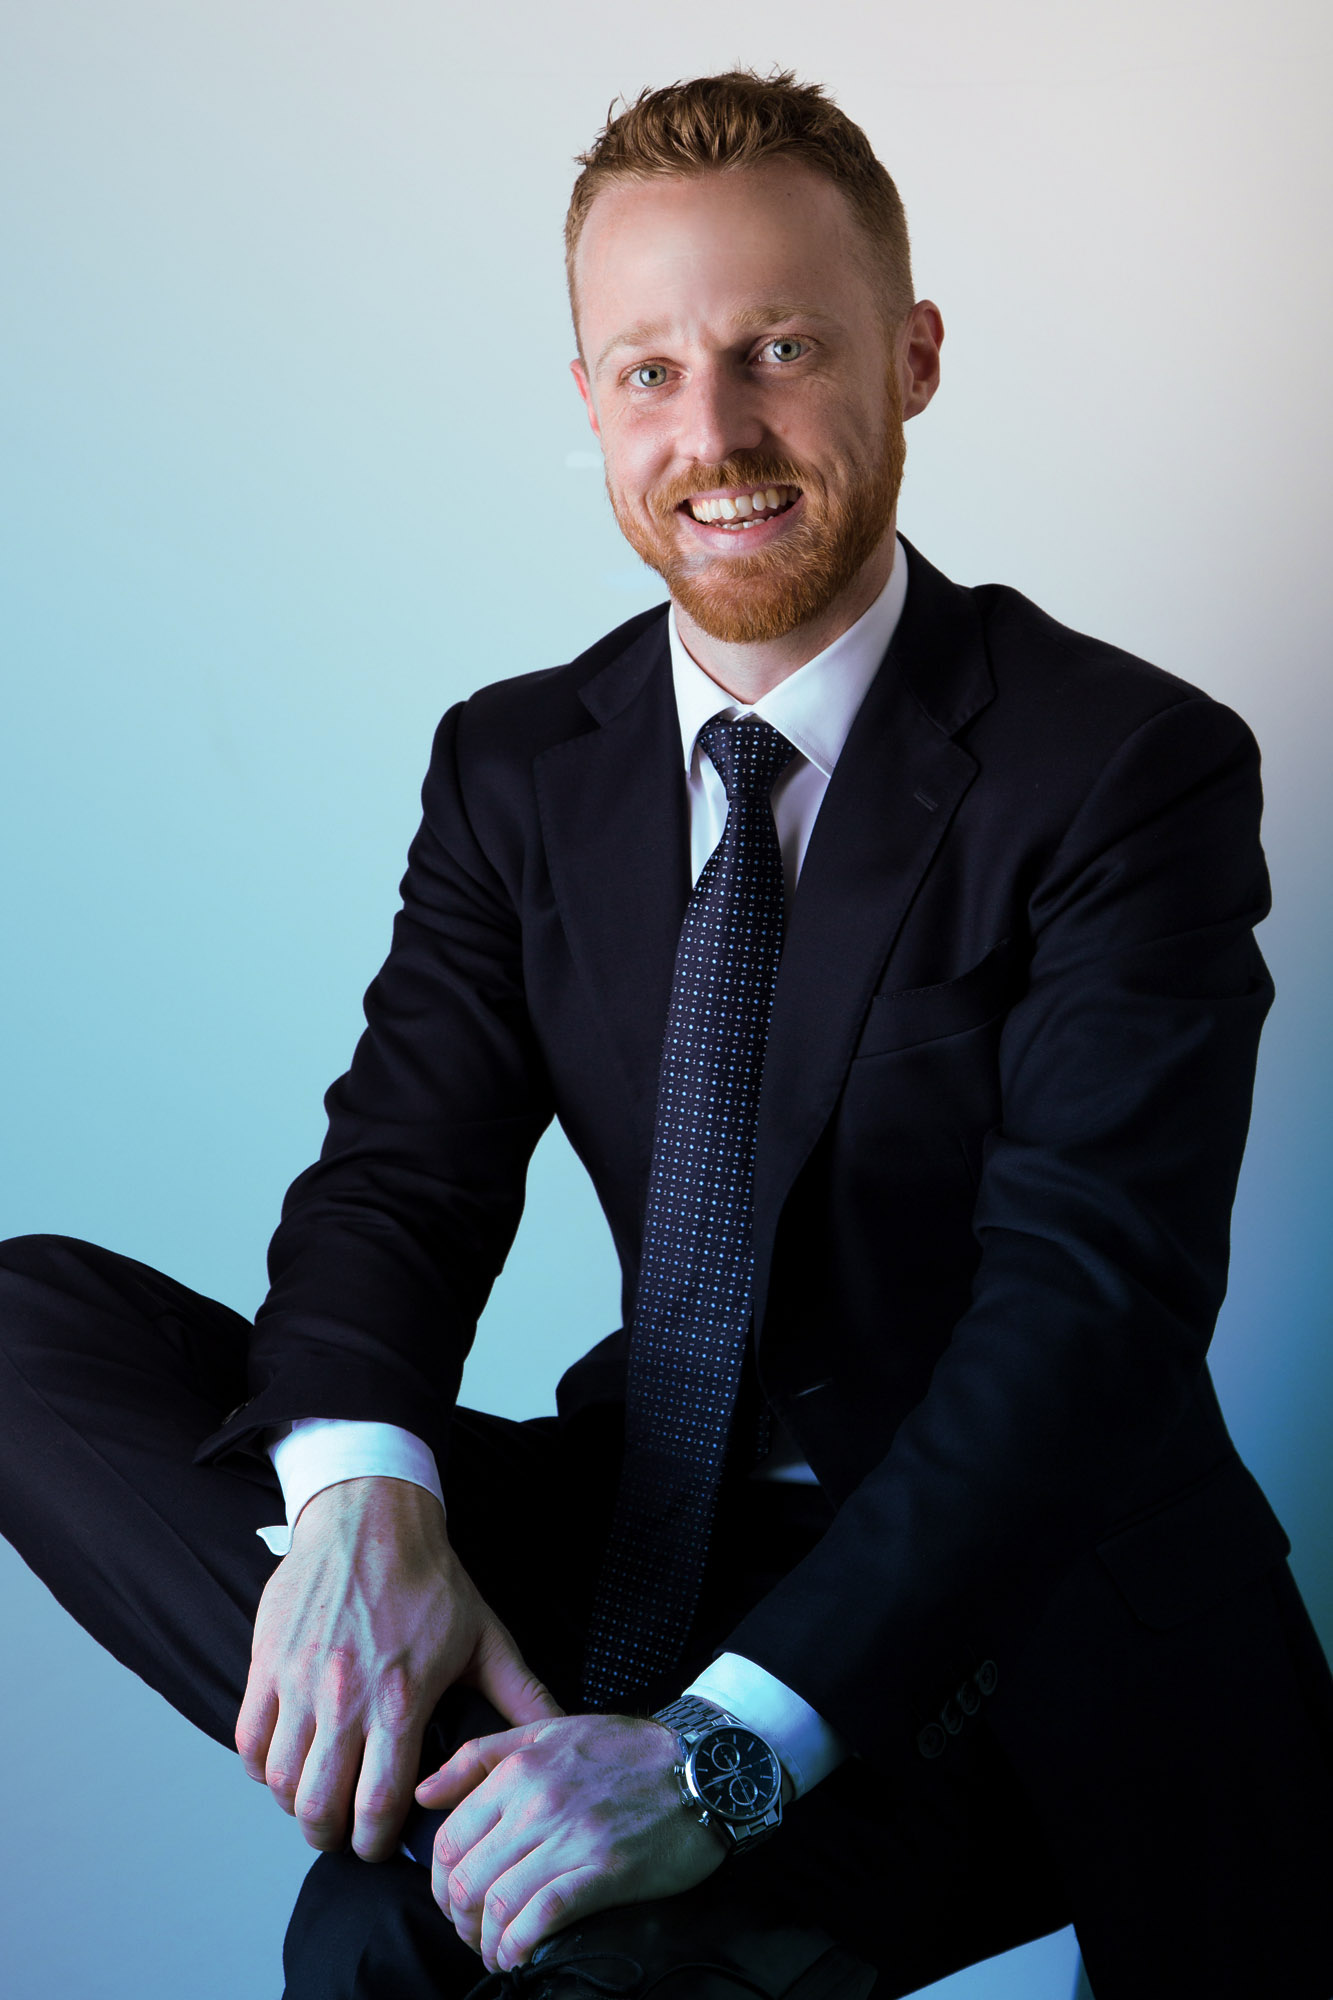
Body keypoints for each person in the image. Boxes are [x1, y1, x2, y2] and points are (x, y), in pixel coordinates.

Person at [1, 67, 1331, 2000]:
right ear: (586, 403)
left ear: (914, 359)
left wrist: (718, 1757)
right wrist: (360, 1514)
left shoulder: (1124, 765)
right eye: (646, 370)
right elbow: (401, 1175)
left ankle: (566, 1808)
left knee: (435, 1943)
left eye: (778, 350)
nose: (712, 434)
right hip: (642, 1534)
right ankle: (462, 1750)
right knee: (28, 1327)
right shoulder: (517, 764)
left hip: (994, 1614)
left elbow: (1087, 1323)